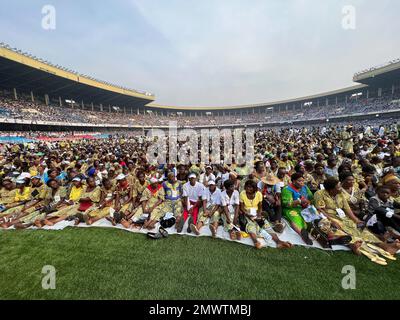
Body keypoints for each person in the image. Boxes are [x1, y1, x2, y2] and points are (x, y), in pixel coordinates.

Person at [314, 177, 400, 263]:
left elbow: (347, 209)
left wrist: (356, 220)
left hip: (343, 217)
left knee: (359, 228)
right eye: (339, 187)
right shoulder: (320, 193)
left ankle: (384, 246)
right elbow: (320, 210)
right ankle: (355, 246)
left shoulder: (340, 194)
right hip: (329, 217)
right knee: (344, 230)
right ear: (332, 189)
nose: (341, 188)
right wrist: (332, 221)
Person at [239, 180, 292, 249]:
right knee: (251, 226)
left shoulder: (258, 194)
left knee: (266, 225)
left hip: (256, 212)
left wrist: (258, 215)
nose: (248, 188)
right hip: (247, 213)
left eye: (250, 187)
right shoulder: (242, 194)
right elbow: (242, 207)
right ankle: (256, 242)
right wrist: (247, 214)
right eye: (247, 186)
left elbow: (260, 206)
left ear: (254, 188)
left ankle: (278, 242)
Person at [281, 173, 314, 245]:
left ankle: (316, 231)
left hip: (304, 206)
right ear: (293, 181)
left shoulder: (305, 187)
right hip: (291, 208)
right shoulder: (287, 189)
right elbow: (286, 204)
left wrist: (308, 202)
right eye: (299, 181)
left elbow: (311, 197)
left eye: (303, 181)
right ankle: (302, 234)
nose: (302, 183)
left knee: (314, 216)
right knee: (296, 219)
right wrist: (299, 201)